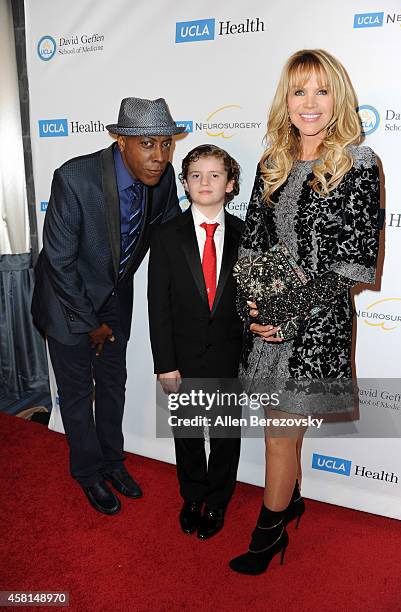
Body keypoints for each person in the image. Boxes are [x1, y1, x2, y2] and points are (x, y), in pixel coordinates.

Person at [229, 49, 380, 574]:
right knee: (279, 429)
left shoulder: (359, 164)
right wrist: (257, 305)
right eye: (299, 91)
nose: (309, 103)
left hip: (316, 322)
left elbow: (355, 263)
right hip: (269, 320)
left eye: (321, 90)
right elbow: (251, 242)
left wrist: (288, 309)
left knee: (278, 432)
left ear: (337, 96)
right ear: (285, 99)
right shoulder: (272, 160)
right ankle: (289, 501)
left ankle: (268, 533)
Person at [31, 98, 186, 515]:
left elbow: (170, 235)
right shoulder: (75, 178)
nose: (160, 157)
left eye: (167, 144)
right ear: (121, 142)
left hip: (114, 299)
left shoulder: (164, 177)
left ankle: (113, 462)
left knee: (113, 386)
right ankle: (87, 471)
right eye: (148, 144)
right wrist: (90, 323)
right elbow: (60, 260)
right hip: (66, 304)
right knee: (78, 395)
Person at [148, 144, 243, 539]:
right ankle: (192, 495)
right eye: (196, 175)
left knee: (224, 435)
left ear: (231, 184)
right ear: (185, 183)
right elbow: (159, 305)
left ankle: (218, 500)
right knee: (187, 433)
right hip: (182, 358)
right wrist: (164, 363)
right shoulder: (167, 235)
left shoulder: (246, 233)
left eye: (215, 175)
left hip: (229, 356)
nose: (205, 182)